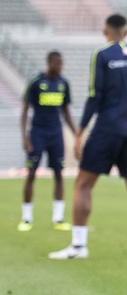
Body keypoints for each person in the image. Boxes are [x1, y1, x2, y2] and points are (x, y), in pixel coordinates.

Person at [50, 14, 127, 260]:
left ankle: (79, 246)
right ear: (126, 32)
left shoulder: (102, 55)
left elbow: (95, 96)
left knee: (83, 184)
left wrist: (80, 133)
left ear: (106, 31)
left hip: (108, 129)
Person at [19, 51, 76, 232]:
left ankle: (58, 218)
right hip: (37, 134)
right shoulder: (36, 82)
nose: (60, 67)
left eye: (62, 64)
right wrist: (25, 137)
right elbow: (25, 110)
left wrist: (77, 134)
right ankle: (27, 219)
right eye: (57, 64)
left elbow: (65, 111)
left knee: (59, 174)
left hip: (56, 134)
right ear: (50, 63)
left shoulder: (63, 83)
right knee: (31, 173)